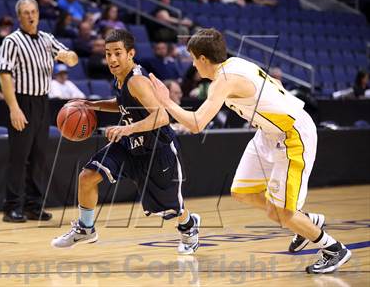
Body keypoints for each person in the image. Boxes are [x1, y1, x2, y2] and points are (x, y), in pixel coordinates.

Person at [149, 28, 351, 273]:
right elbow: (274, 82)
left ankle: (333, 248)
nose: (192, 64)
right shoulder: (235, 63)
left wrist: (166, 101)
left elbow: (196, 124)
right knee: (243, 191)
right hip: (268, 133)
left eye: (193, 58)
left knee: (284, 214)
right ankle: (305, 222)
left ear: (203, 59)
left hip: (292, 134)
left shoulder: (223, 81)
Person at [51, 29, 201, 255]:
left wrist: (126, 128)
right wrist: (94, 105)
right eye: (108, 53)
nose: (111, 59)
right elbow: (123, 103)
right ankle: (85, 227)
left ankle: (189, 226)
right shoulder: (121, 77)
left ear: (130, 53)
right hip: (130, 144)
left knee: (168, 208)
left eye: (117, 53)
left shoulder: (137, 81)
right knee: (88, 176)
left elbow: (161, 117)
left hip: (156, 149)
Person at [0, 0, 78, 223]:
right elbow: (4, 75)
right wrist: (13, 108)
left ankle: (33, 206)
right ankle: (12, 206)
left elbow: (72, 59)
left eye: (34, 11)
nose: (31, 16)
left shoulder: (46, 38)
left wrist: (68, 56)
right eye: (26, 12)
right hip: (22, 101)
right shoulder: (11, 41)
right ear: (19, 17)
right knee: (19, 157)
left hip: (43, 102)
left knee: (39, 157)